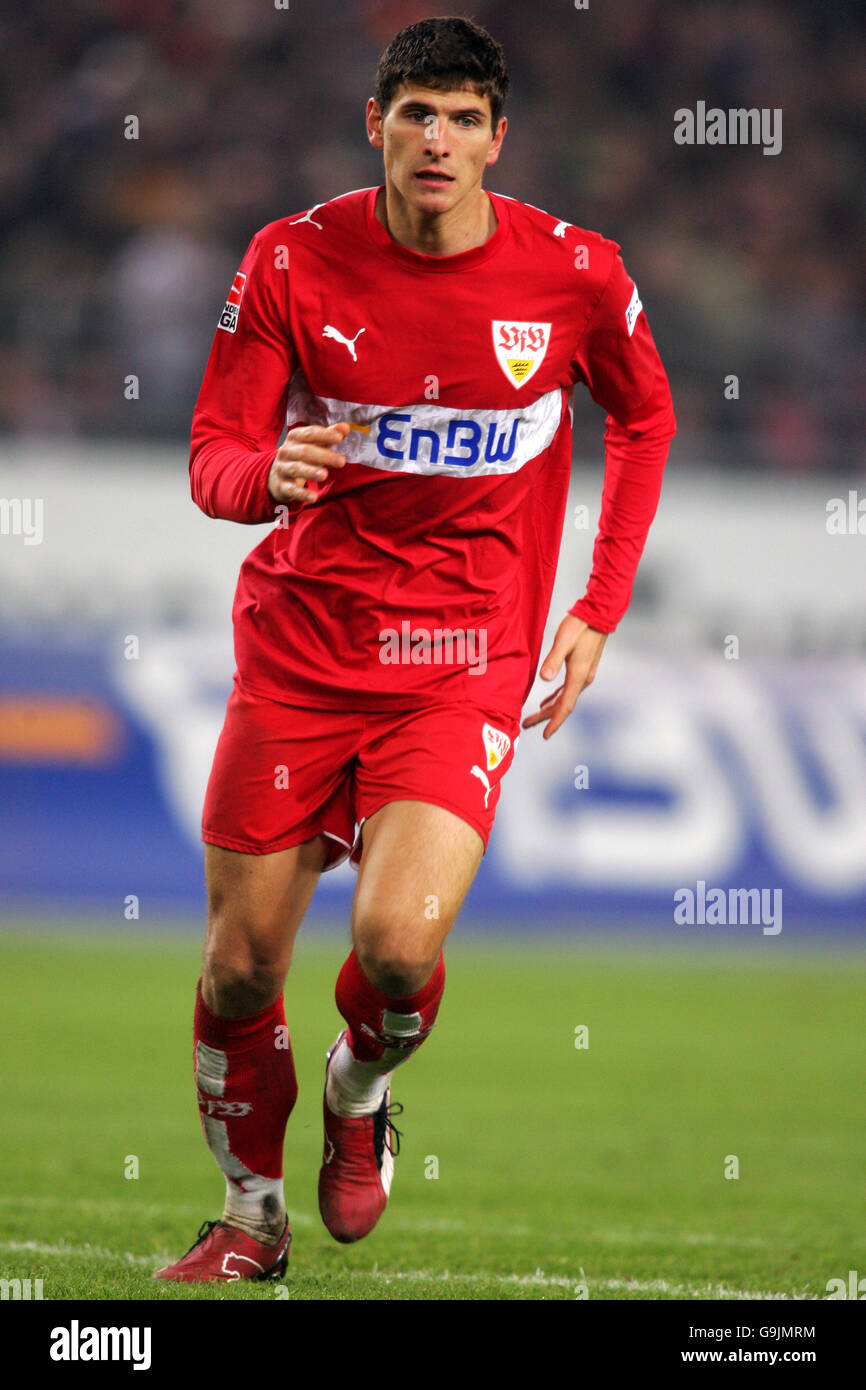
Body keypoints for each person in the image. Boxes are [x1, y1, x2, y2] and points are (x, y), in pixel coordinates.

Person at [154, 15, 676, 1283]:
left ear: (499, 139)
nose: (434, 140)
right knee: (237, 967)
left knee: (394, 948)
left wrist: (597, 605)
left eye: (459, 118)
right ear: (374, 126)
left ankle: (357, 1087)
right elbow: (213, 448)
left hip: (460, 660)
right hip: (300, 649)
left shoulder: (574, 274)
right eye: (413, 115)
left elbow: (647, 414)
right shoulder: (289, 259)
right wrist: (260, 474)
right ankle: (248, 1217)